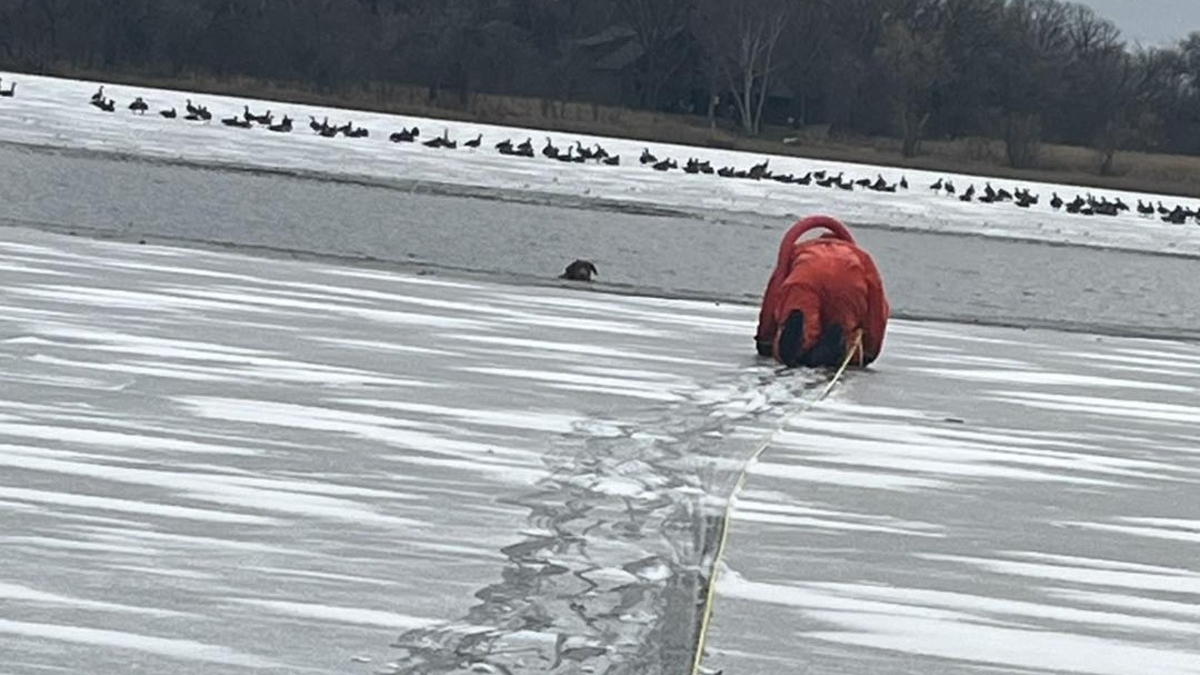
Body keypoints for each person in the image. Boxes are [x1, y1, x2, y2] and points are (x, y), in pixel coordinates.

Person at [755, 215, 889, 368]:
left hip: (806, 274)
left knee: (804, 321)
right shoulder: (860, 257)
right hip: (850, 278)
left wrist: (765, 340)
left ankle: (799, 343)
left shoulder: (799, 251)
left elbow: (773, 295)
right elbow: (876, 309)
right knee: (844, 326)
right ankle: (837, 343)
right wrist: (869, 351)